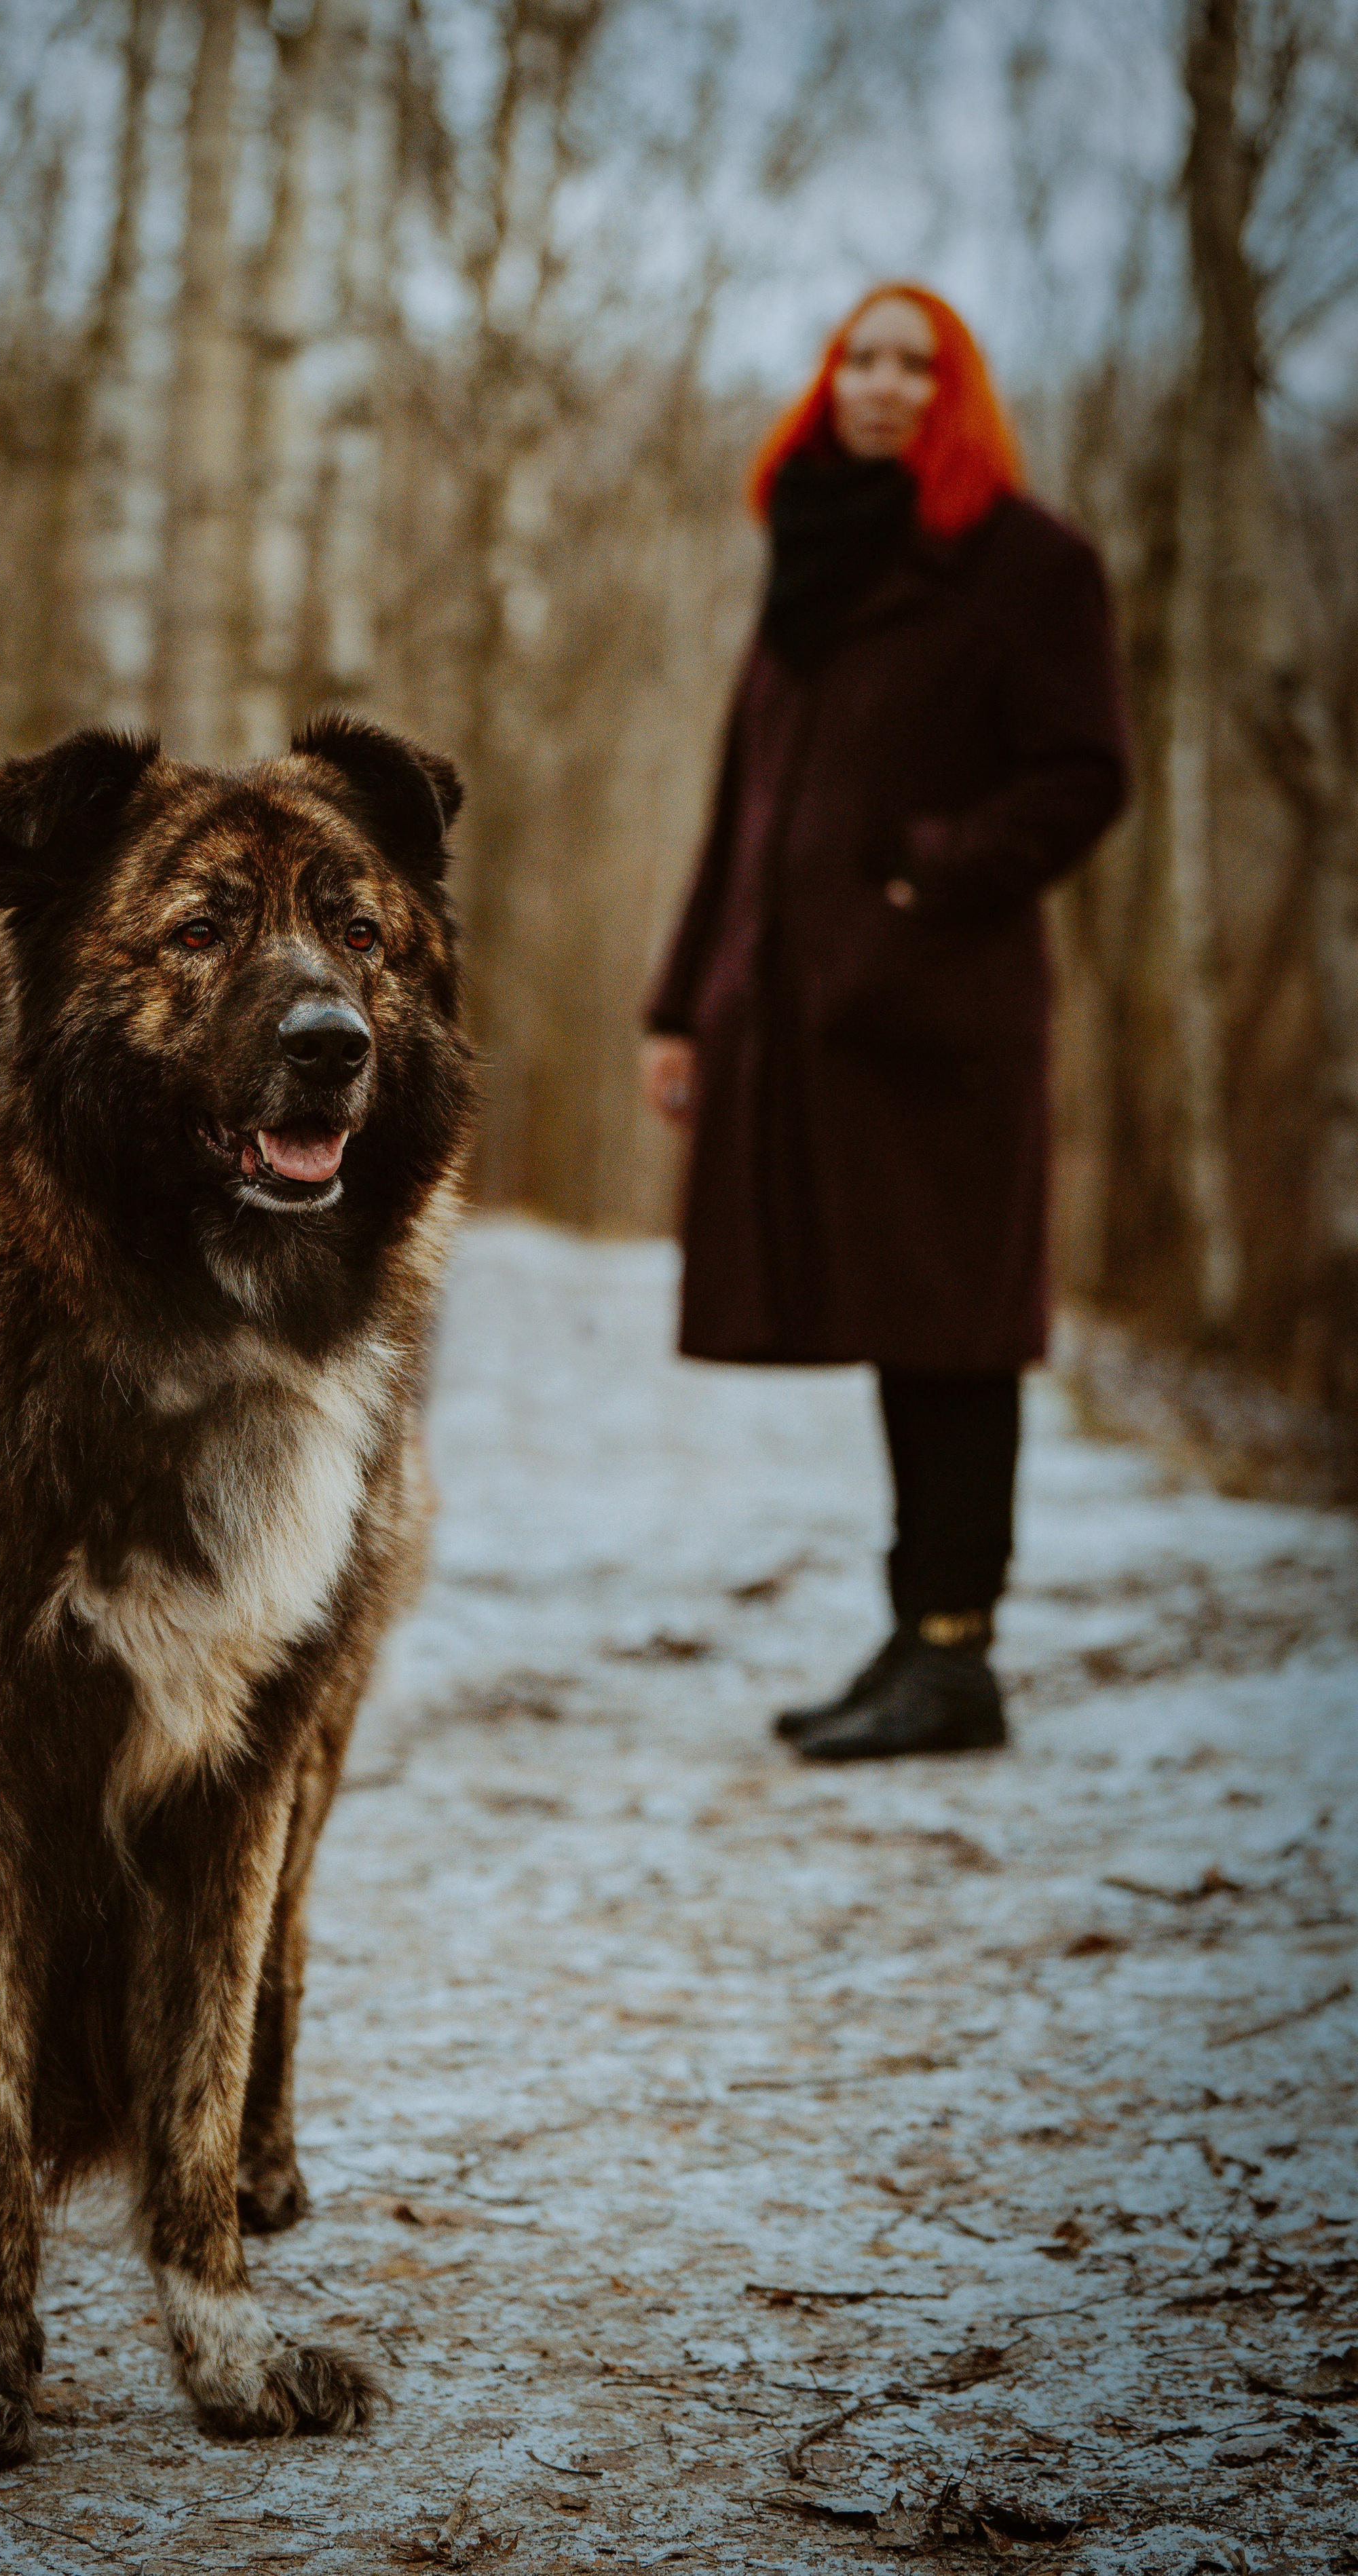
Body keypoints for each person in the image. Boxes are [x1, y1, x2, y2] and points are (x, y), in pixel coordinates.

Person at [641, 284, 1129, 1762]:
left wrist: (926, 871)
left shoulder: (1026, 564)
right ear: (826, 380)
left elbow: (1081, 773)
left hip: (938, 1017)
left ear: (955, 390)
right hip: (795, 1012)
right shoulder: (813, 556)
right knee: (893, 1332)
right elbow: (744, 799)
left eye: (916, 364)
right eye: (860, 357)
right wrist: (680, 1004)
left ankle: (953, 1647)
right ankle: (916, 1629)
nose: (882, 383)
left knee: (951, 1334)